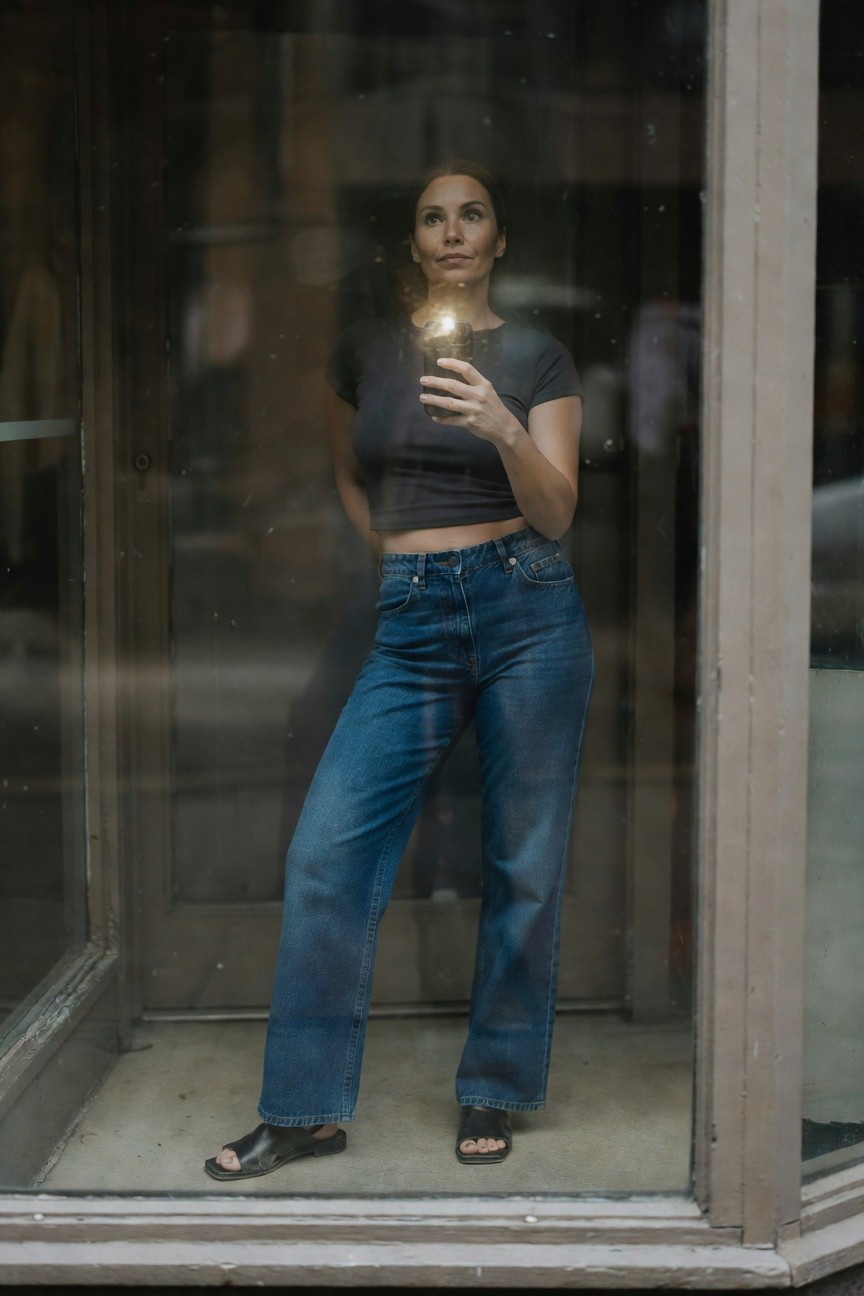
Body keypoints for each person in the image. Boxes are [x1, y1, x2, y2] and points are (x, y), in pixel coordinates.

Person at [205, 159, 594, 1178]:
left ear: (499, 240)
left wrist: (502, 426)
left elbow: (558, 510)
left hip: (528, 608)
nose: (454, 232)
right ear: (414, 242)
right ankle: (305, 1111)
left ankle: (496, 1089)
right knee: (328, 853)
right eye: (434, 218)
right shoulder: (366, 352)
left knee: (523, 862)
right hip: (412, 620)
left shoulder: (542, 357)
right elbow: (348, 470)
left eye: (473, 214)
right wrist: (397, 563)